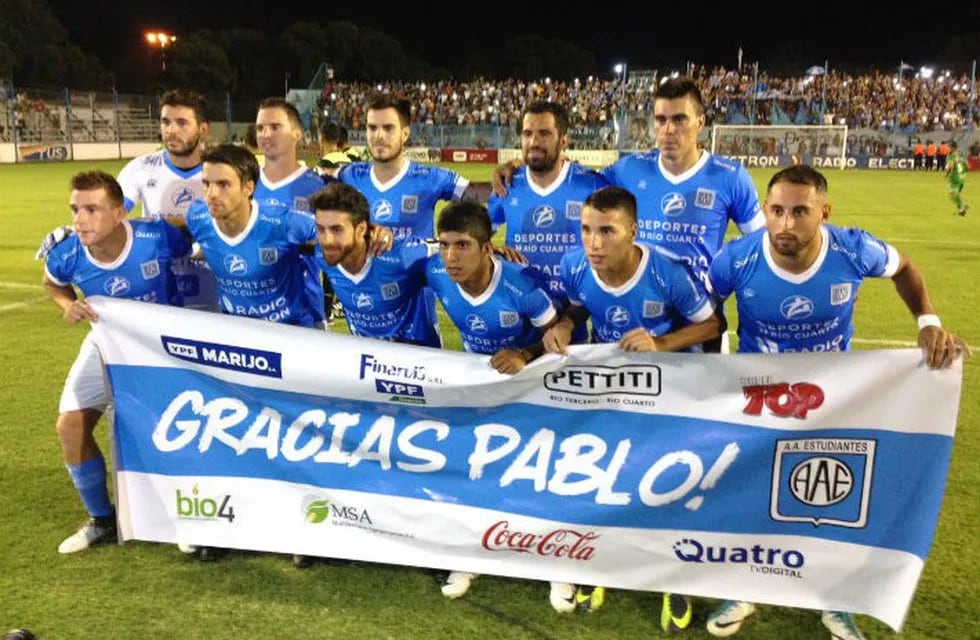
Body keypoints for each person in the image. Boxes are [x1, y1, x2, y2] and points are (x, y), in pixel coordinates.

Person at [704, 164, 969, 640]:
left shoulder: (853, 248)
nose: (786, 224)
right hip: (759, 399)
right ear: (765, 210)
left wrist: (927, 319)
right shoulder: (735, 258)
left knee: (832, 499)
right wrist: (705, 373)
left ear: (824, 212)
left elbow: (904, 267)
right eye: (777, 210)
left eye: (800, 212)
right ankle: (743, 588)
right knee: (751, 493)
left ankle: (836, 601)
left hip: (835, 399)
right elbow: (706, 313)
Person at [542, 185, 722, 632]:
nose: (594, 243)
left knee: (672, 485)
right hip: (616, 385)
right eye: (586, 230)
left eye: (607, 231)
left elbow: (714, 324)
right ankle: (607, 564)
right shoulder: (575, 266)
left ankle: (674, 577)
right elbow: (579, 308)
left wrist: (661, 343)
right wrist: (564, 324)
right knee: (615, 475)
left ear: (633, 231)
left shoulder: (666, 272)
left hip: (674, 387)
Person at [494, 77, 763, 352]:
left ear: (700, 122)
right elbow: (573, 179)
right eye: (660, 119)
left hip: (699, 322)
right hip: (635, 314)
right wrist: (522, 162)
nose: (669, 129)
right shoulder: (630, 170)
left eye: (680, 119)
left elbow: (761, 248)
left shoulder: (731, 177)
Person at [43, 170, 191, 554]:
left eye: (92, 209)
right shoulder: (68, 253)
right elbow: (51, 282)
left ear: (119, 212)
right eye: (75, 209)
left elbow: (197, 244)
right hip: (106, 345)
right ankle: (102, 519)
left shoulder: (154, 238)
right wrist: (67, 304)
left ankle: (188, 518)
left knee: (172, 431)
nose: (79, 219)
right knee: (70, 426)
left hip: (164, 348)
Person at [426, 202, 562, 604]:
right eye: (445, 245)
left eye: (463, 245)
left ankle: (558, 567)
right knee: (478, 471)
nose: (451, 256)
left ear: (488, 249)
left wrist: (525, 354)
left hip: (532, 389)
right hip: (479, 389)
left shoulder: (522, 285)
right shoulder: (434, 270)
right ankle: (472, 556)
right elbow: (399, 249)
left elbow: (559, 336)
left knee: (538, 475)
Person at [35, 90, 218, 312]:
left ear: (203, 129)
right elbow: (112, 213)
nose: (171, 130)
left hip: (218, 277)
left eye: (182, 123)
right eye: (165, 122)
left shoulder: (223, 172)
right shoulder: (140, 168)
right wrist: (74, 232)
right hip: (164, 281)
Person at [487, 100, 608, 346]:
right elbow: (480, 239)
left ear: (564, 139)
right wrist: (493, 250)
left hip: (571, 319)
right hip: (517, 316)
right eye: (527, 133)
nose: (534, 141)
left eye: (544, 133)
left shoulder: (591, 185)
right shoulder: (507, 186)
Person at [336, 92, 490, 241]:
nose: (378, 135)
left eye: (388, 128)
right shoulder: (350, 176)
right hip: (363, 268)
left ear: (405, 134)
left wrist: (512, 174)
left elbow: (485, 194)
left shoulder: (429, 177)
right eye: (372, 127)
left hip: (417, 268)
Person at [312, 181, 441, 347]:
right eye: (321, 229)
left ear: (361, 229)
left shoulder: (399, 255)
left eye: (337, 230)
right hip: (369, 361)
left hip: (416, 360)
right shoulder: (323, 254)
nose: (327, 240)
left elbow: (453, 249)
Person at [252, 97, 332, 327]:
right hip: (248, 316)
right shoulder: (243, 184)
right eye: (260, 128)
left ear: (297, 133)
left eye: (275, 127)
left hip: (304, 317)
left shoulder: (319, 188)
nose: (265, 134)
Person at [945, 141, 969, 216]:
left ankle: (962, 207)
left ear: (953, 148)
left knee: (953, 194)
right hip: (961, 178)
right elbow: (967, 166)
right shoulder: (959, 155)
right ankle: (961, 209)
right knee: (954, 195)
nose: (948, 148)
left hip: (955, 178)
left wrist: (948, 171)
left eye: (950, 147)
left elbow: (950, 166)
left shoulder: (952, 156)